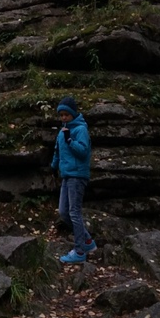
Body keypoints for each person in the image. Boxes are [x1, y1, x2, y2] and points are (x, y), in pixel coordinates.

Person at [50, 96, 96, 264]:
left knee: (74, 212)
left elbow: (83, 152)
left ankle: (79, 251)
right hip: (66, 175)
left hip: (78, 175)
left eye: (66, 115)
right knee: (63, 212)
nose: (63, 118)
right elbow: (57, 150)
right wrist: (53, 166)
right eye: (61, 115)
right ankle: (88, 241)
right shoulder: (63, 130)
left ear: (73, 114)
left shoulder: (80, 129)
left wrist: (70, 140)